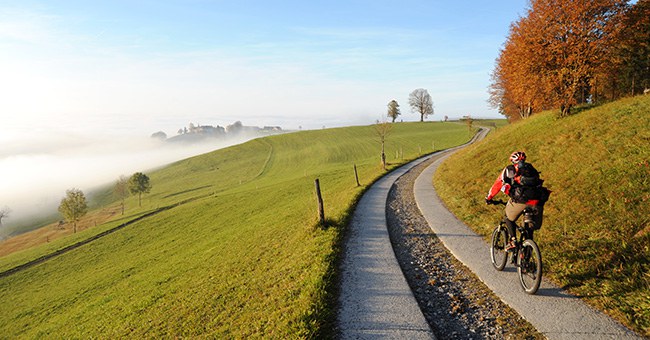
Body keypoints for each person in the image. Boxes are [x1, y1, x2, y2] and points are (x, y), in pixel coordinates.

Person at [485, 151, 549, 251]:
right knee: (529, 230)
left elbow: (498, 184)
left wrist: (489, 198)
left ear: (512, 160)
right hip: (538, 202)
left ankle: (513, 241)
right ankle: (528, 255)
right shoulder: (531, 169)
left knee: (508, 217)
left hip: (520, 201)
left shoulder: (509, 170)